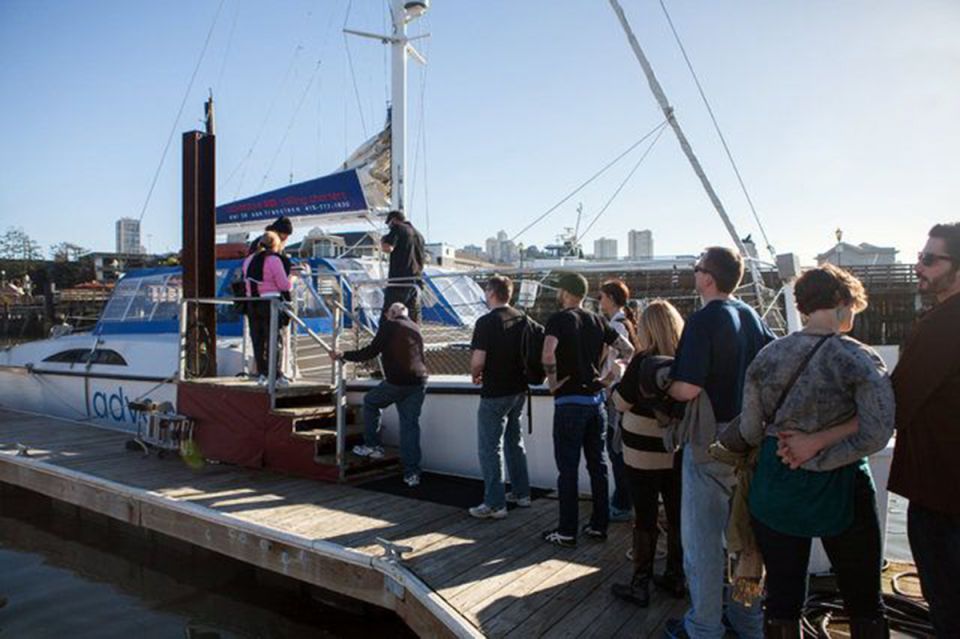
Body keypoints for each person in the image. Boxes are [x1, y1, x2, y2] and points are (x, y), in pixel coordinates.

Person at [722, 264, 894, 638]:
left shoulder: (768, 357)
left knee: (782, 598)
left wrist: (795, 450)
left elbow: (750, 429)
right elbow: (877, 432)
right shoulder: (859, 358)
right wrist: (820, 456)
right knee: (863, 599)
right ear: (839, 301)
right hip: (843, 490)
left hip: (777, 485)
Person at [663, 247, 775, 639]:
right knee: (745, 539)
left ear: (708, 277)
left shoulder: (704, 319)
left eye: (696, 270)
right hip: (750, 438)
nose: (695, 275)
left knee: (704, 543)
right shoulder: (751, 316)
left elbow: (688, 387)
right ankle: (748, 623)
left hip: (711, 441)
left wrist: (666, 383)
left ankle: (704, 627)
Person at [888, 222, 960, 637]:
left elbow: (894, 402)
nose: (919, 267)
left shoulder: (942, 325)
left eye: (930, 260)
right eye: (919, 257)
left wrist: (818, 438)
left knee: (949, 608)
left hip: (943, 496)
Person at [541, 272, 635, 548]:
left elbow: (548, 353)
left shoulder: (559, 319)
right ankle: (598, 525)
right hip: (596, 403)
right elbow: (628, 350)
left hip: (569, 402)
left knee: (567, 468)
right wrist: (607, 379)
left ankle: (567, 530)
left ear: (566, 292)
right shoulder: (598, 321)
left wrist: (553, 381)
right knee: (599, 465)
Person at [610, 299, 686, 607]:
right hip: (675, 447)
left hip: (641, 450)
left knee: (645, 515)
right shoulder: (685, 359)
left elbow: (622, 402)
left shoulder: (643, 360)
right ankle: (676, 576)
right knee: (677, 514)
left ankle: (640, 583)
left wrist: (616, 379)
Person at [332, 302, 427, 487]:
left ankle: (373, 446)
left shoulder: (389, 326)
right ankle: (412, 474)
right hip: (419, 381)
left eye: (386, 314)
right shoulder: (415, 327)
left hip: (397, 381)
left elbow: (370, 351)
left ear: (390, 314)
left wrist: (343, 354)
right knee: (410, 428)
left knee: (371, 402)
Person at [467, 275, 531, 519]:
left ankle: (495, 503)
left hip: (495, 390)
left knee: (489, 447)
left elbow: (478, 360)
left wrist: (475, 374)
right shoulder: (522, 318)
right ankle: (521, 493)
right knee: (515, 441)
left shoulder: (486, 322)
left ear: (491, 293)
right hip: (519, 389)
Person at [598, 279, 640, 523]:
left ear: (611, 299)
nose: (600, 301)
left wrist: (606, 381)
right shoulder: (625, 321)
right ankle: (622, 500)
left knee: (616, 450)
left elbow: (624, 356)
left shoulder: (617, 325)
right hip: (619, 393)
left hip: (615, 394)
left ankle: (622, 504)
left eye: (602, 297)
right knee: (618, 449)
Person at [242, 230, 292, 385]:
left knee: (258, 340)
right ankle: (275, 375)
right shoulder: (273, 260)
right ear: (275, 244)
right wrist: (293, 278)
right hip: (271, 303)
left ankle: (262, 373)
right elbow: (284, 285)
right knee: (273, 339)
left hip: (252, 303)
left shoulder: (249, 260)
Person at [380, 210, 425, 323]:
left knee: (390, 314)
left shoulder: (398, 228)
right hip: (416, 280)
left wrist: (383, 240)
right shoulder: (419, 235)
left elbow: (388, 248)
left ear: (394, 220)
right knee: (412, 315)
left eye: (388, 224)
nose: (389, 226)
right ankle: (413, 338)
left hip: (399, 281)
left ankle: (387, 339)